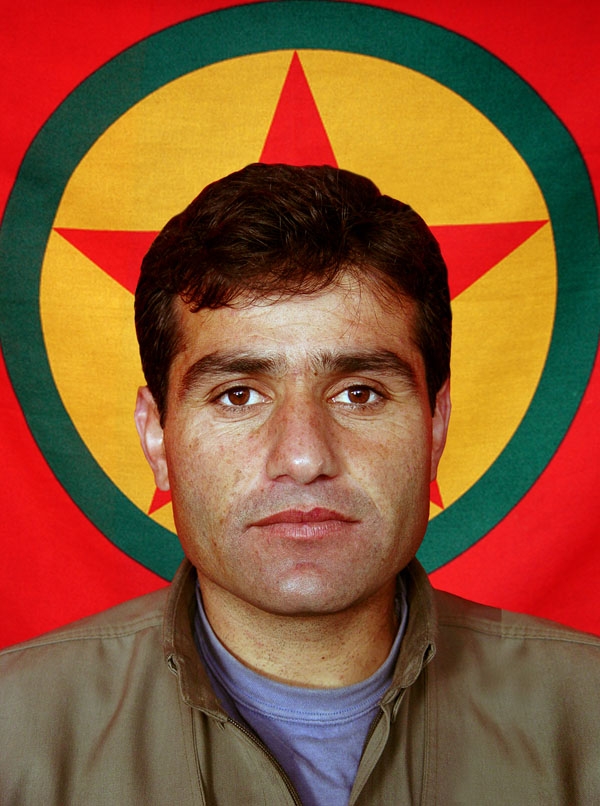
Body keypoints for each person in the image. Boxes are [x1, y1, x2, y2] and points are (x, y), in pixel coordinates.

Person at [1, 163, 598, 805]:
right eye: (237, 395)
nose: (305, 456)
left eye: (359, 393)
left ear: (435, 427)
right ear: (156, 437)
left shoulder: (586, 716)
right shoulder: (14, 733)